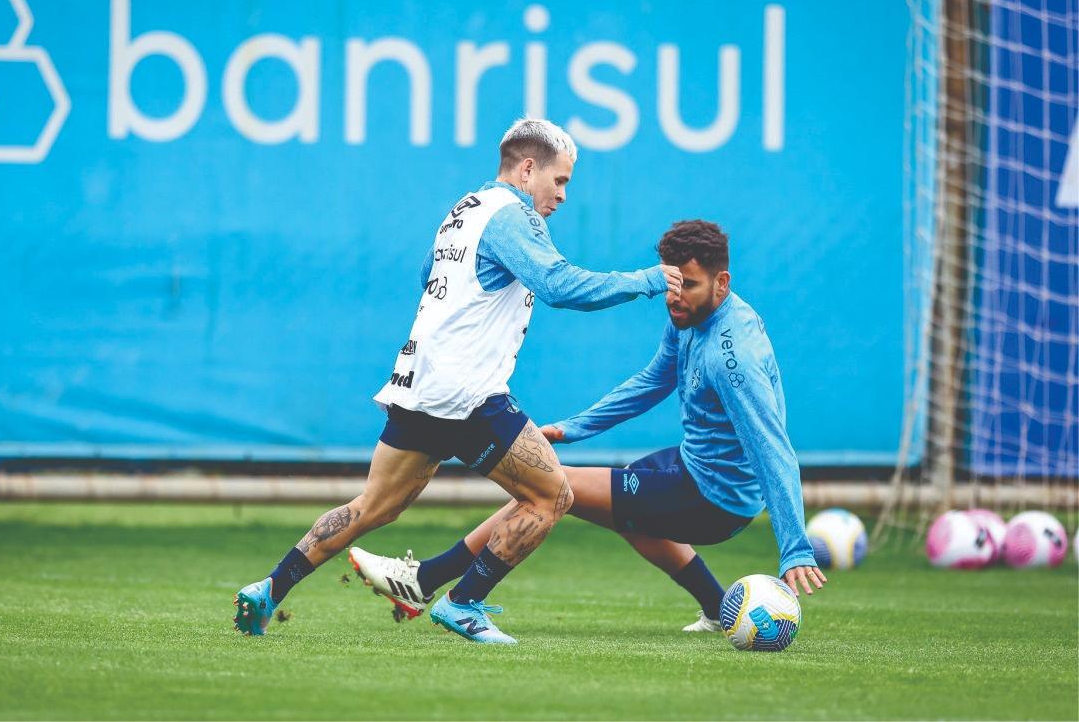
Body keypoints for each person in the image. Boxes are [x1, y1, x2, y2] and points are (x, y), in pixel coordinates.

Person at [232, 118, 684, 644]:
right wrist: (647, 280)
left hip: (417, 384)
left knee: (372, 507)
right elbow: (560, 285)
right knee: (551, 496)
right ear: (528, 168)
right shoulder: (515, 218)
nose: (562, 195)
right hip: (466, 394)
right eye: (559, 181)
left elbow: (430, 274)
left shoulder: (464, 210)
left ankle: (269, 589)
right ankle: (463, 604)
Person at [350, 220, 826, 633]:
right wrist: (574, 428)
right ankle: (720, 609)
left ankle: (426, 581)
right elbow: (654, 380)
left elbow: (771, 448)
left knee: (553, 486)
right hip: (690, 464)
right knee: (631, 518)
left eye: (692, 286)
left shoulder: (732, 357)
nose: (675, 299)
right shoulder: (688, 316)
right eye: (672, 283)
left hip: (714, 499)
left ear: (722, 283)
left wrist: (794, 547)